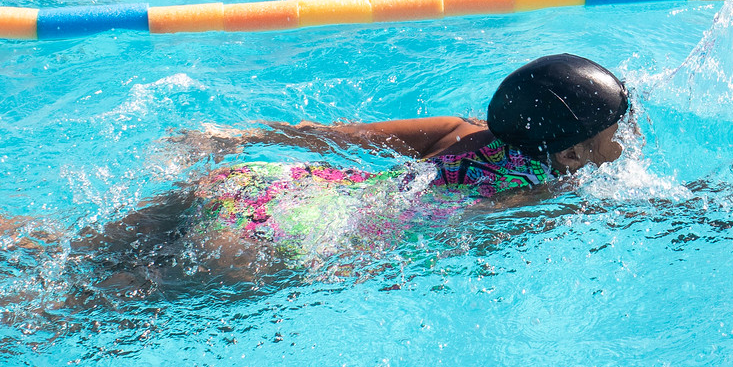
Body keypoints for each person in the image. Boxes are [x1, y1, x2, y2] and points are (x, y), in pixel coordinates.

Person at [85, 55, 631, 281]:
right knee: (82, 308)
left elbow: (336, 136)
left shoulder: (461, 131)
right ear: (571, 153)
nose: (627, 137)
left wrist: (244, 135)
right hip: (293, 235)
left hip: (257, 186)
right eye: (614, 130)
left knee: (70, 250)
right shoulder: (540, 195)